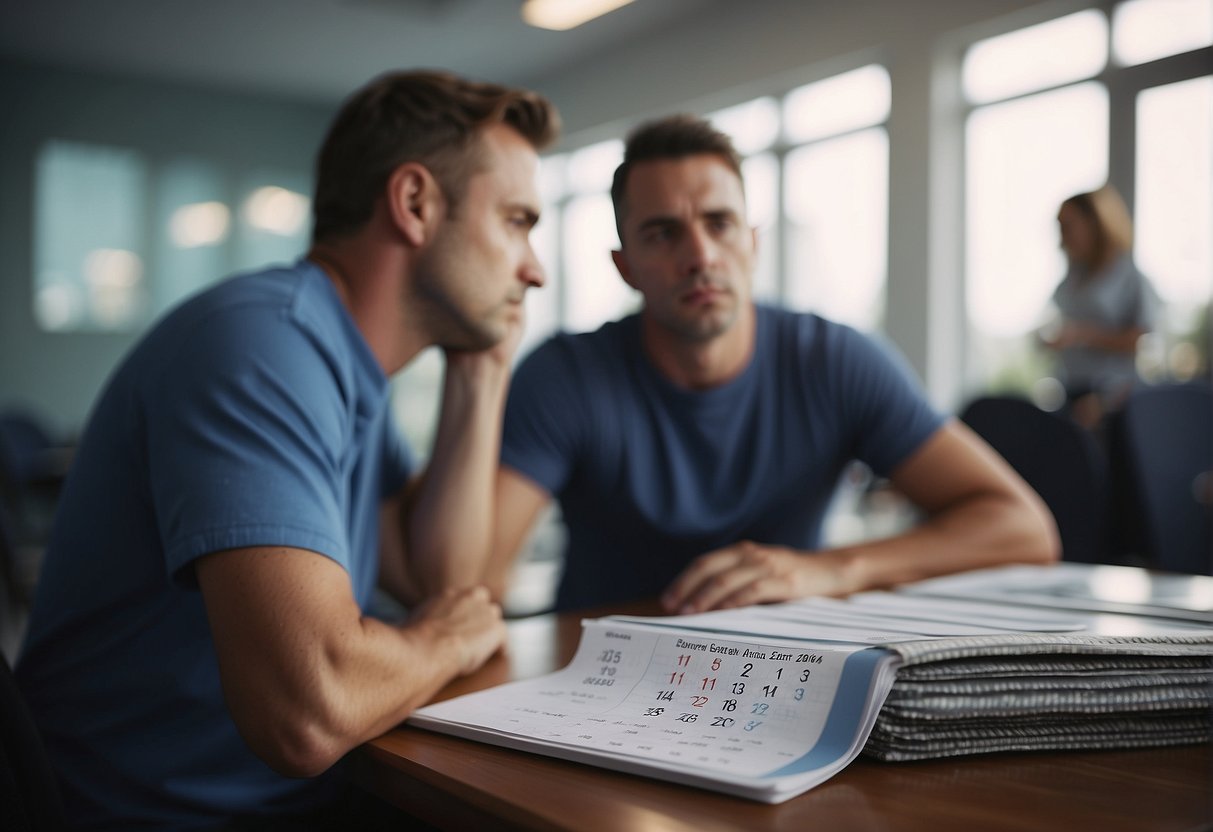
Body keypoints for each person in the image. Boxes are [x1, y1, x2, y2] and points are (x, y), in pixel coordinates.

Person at [14, 69, 559, 829]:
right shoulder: (263, 346)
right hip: (148, 816)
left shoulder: (341, 369)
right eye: (516, 220)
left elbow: (446, 579)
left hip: (295, 800)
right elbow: (309, 709)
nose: (533, 269)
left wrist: (482, 377)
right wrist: (436, 641)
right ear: (413, 204)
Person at [486, 114, 1058, 613]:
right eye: (662, 234)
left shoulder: (833, 361)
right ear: (625, 265)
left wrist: (837, 569)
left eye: (720, 223)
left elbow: (1023, 528)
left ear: (753, 242)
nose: (700, 256)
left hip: (782, 670)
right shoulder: (565, 376)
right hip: (593, 676)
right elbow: (476, 582)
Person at [1040, 185, 1161, 429]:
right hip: (1071, 390)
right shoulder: (1072, 279)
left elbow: (1139, 341)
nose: (1062, 237)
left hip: (1114, 397)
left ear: (1094, 224)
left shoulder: (1127, 277)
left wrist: (1083, 335)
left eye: (1068, 226)